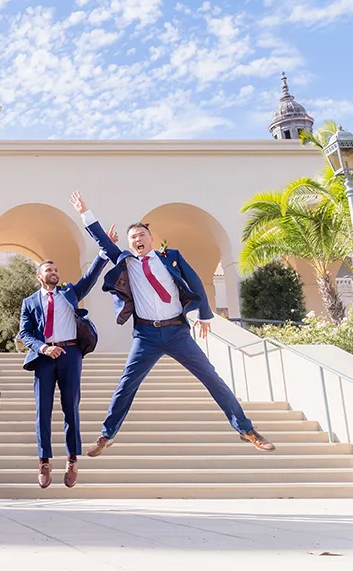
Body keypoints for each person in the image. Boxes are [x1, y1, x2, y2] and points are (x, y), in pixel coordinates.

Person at [69, 191, 276, 458]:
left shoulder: (170, 257)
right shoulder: (127, 262)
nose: (138, 240)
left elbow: (195, 282)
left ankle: (247, 430)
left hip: (177, 332)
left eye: (141, 235)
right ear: (130, 244)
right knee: (125, 385)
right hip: (146, 336)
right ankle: (106, 436)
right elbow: (101, 239)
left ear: (150, 238)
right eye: (133, 238)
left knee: (212, 378)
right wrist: (85, 212)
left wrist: (204, 314)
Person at [18, 236, 113, 489]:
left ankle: (72, 459)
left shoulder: (69, 292)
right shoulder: (29, 302)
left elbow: (90, 278)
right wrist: (43, 347)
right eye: (49, 270)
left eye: (56, 270)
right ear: (39, 276)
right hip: (44, 358)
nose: (54, 273)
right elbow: (24, 333)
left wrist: (104, 253)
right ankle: (44, 461)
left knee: (71, 407)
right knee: (43, 411)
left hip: (71, 354)